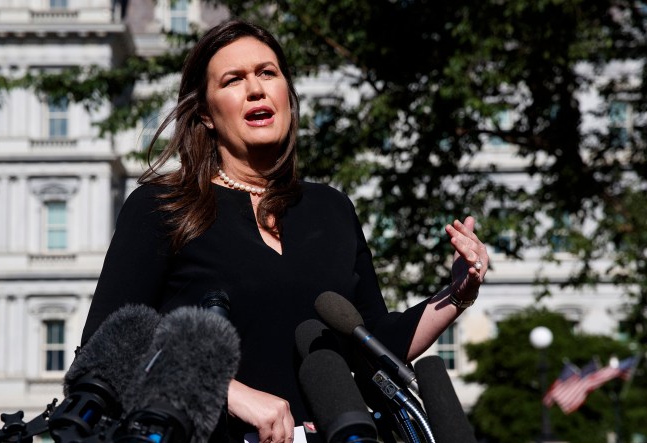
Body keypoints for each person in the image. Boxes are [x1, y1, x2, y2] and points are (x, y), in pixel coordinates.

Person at [80, 19, 489, 443]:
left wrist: (458, 291)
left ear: (287, 97)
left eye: (267, 73)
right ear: (205, 113)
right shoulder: (160, 206)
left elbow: (371, 345)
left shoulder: (332, 209)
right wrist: (227, 391)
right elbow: (106, 349)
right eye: (233, 80)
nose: (255, 89)